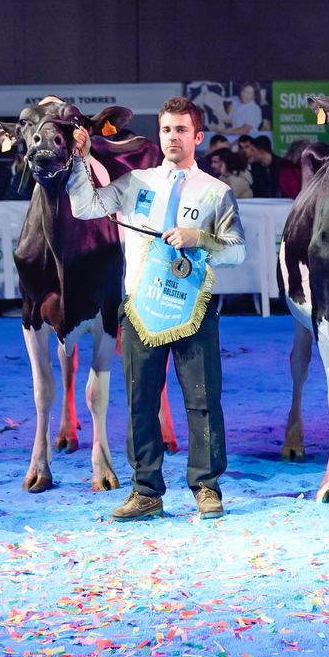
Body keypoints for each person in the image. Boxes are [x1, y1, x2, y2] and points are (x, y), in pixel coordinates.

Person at [68, 96, 246, 522]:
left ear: (197, 137)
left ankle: (206, 486)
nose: (172, 137)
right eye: (166, 129)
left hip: (193, 310)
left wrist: (199, 239)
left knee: (203, 400)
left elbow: (237, 251)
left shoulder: (216, 192)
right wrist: (80, 160)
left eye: (181, 130)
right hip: (141, 308)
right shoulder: (135, 183)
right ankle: (146, 490)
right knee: (140, 401)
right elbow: (84, 206)